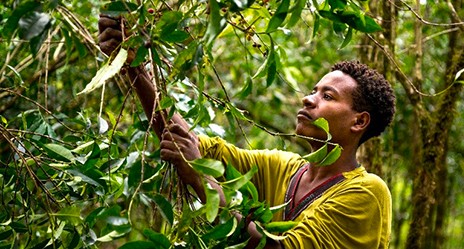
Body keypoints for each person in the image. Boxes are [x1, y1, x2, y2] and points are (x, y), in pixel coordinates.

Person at [99, 14, 395, 249]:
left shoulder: (367, 193)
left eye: (327, 96)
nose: (308, 98)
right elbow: (185, 145)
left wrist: (200, 178)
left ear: (359, 122)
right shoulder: (282, 168)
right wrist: (136, 65)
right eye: (313, 91)